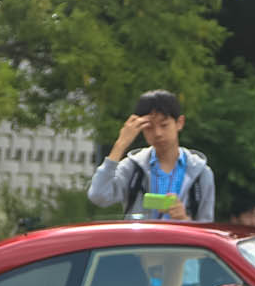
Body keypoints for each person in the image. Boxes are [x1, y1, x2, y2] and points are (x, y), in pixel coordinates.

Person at [87, 90, 217, 223]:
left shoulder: (201, 172)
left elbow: (207, 228)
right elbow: (98, 195)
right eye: (149, 127)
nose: (158, 133)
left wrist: (184, 219)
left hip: (179, 243)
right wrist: (121, 144)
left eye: (164, 125)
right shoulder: (133, 167)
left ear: (179, 123)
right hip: (140, 243)